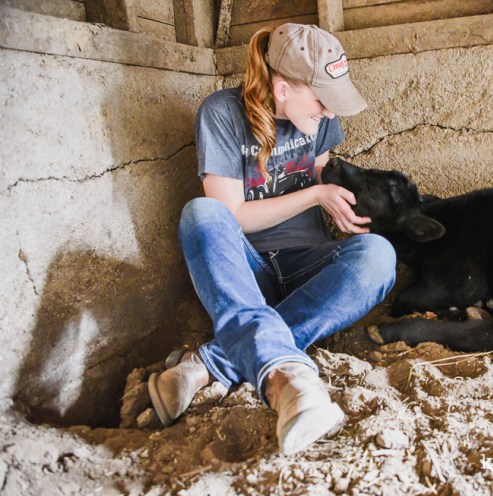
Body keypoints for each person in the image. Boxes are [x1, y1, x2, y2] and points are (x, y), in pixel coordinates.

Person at [147, 23, 397, 455]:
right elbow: (233, 216)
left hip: (308, 268)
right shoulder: (221, 114)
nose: (329, 113)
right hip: (247, 274)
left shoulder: (318, 120)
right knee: (201, 214)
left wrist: (344, 201)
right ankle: (285, 379)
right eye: (322, 100)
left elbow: (321, 171)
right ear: (282, 89)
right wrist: (315, 195)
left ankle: (211, 364)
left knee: (378, 255)